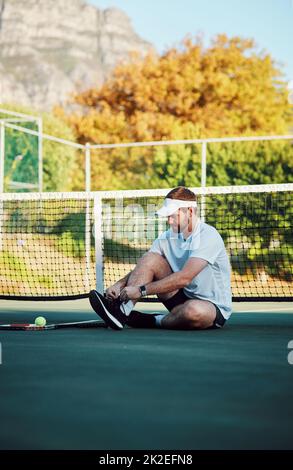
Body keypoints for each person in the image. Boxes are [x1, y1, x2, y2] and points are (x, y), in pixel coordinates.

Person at [89, 186, 232, 330]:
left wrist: (141, 290)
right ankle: (121, 312)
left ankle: (154, 320)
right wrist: (119, 285)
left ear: (189, 211)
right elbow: (145, 265)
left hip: (211, 308)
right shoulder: (166, 237)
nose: (169, 221)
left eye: (172, 215)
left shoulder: (208, 235)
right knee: (150, 258)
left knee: (192, 311)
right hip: (179, 298)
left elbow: (185, 278)